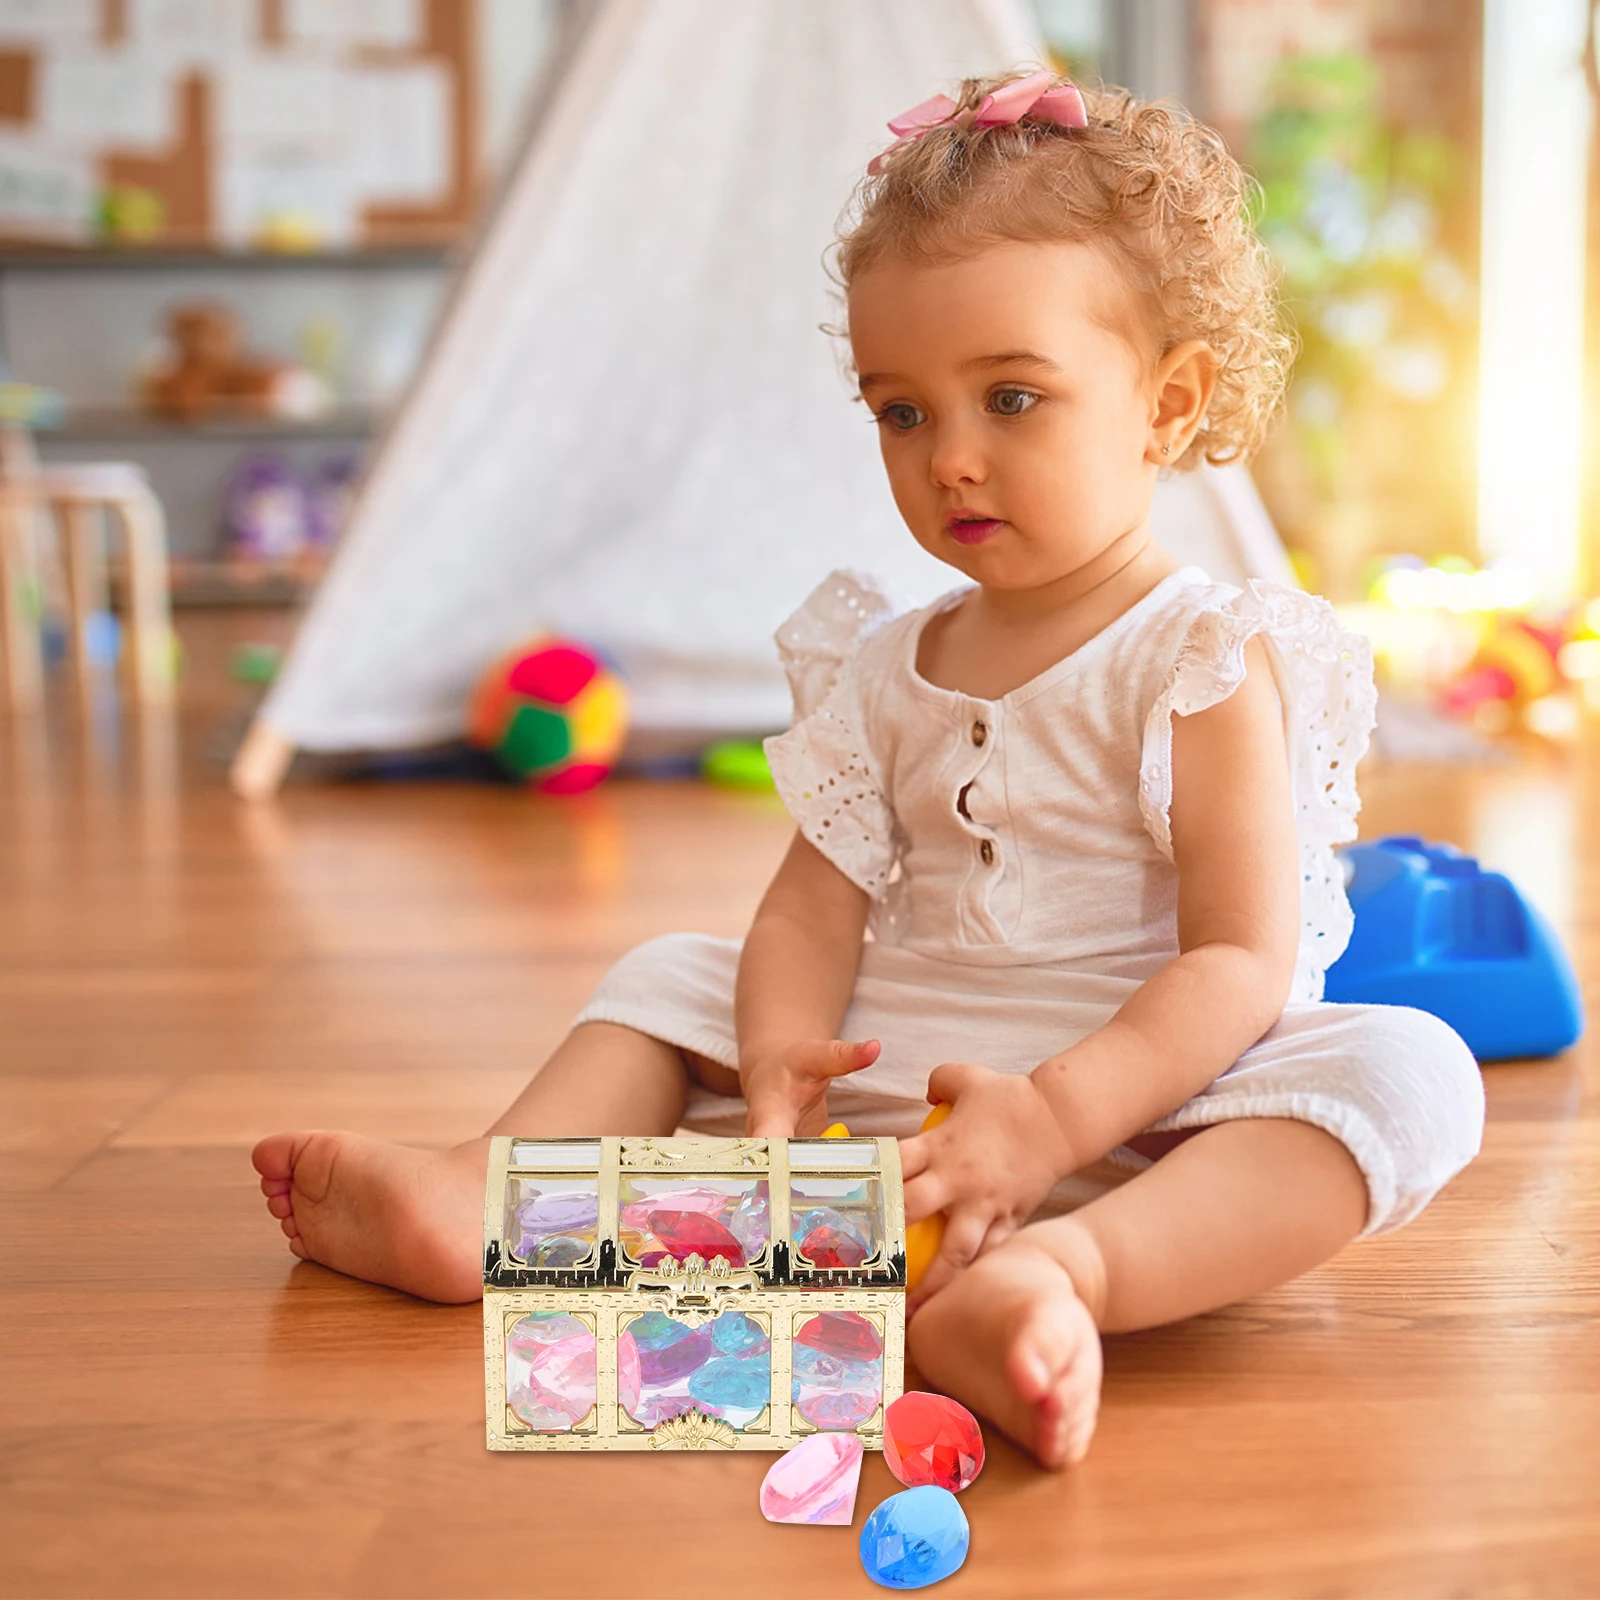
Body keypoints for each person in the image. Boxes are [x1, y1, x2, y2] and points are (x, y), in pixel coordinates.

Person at [253, 70, 1485, 1469]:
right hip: (903, 1079)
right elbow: (810, 903)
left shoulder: (1203, 656)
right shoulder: (887, 660)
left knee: (1409, 1069)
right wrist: (779, 1049)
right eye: (902, 413)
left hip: (1147, 1105)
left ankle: (1062, 1273)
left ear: (1167, 401)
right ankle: (494, 1203)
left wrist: (1057, 1116)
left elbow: (1241, 962)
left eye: (1010, 399)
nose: (950, 459)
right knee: (672, 976)